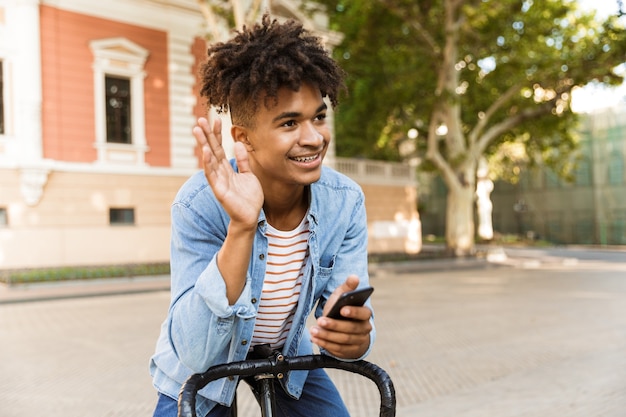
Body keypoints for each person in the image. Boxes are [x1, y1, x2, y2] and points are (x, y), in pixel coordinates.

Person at [149, 14, 375, 417]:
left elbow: (346, 328)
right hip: (204, 359)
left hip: (286, 352)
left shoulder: (345, 202)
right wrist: (241, 227)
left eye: (318, 117)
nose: (314, 137)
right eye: (290, 123)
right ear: (244, 137)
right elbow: (197, 353)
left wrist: (353, 337)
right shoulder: (198, 203)